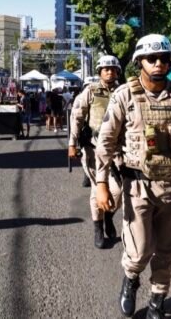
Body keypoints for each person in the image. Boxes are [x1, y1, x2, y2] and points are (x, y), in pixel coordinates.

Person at [95, 34, 171, 318]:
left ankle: (157, 298)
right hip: (137, 186)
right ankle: (130, 279)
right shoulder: (124, 95)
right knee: (139, 251)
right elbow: (105, 141)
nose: (159, 64)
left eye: (164, 58)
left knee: (167, 249)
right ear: (140, 62)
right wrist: (101, 183)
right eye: (152, 59)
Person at [68, 55, 122, 249]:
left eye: (113, 69)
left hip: (118, 150)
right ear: (100, 72)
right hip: (93, 148)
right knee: (96, 188)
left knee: (119, 190)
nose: (109, 72)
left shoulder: (123, 91)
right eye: (105, 69)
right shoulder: (90, 91)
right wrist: (72, 143)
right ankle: (98, 227)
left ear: (117, 72)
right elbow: (77, 117)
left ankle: (108, 215)